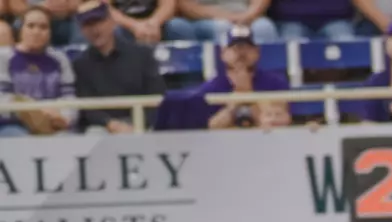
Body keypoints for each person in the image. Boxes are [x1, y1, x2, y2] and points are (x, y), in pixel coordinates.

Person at [71, 0, 165, 133]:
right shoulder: (80, 64)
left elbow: (156, 95)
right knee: (94, 132)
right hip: (104, 128)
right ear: (82, 30)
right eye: (88, 25)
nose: (95, 29)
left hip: (142, 124)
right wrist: (110, 124)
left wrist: (140, 124)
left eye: (99, 21)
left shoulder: (142, 55)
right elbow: (87, 106)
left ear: (111, 21)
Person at [0, 8, 76, 137]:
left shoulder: (60, 59)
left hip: (53, 123)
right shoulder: (4, 57)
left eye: (43, 27)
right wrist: (34, 112)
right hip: (13, 125)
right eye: (31, 26)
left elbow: (69, 98)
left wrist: (64, 117)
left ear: (50, 32)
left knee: (69, 138)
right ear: (21, 29)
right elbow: (2, 98)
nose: (36, 32)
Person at [201, 24, 292, 131]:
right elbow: (212, 128)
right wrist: (235, 103)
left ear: (257, 51)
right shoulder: (211, 88)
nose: (241, 53)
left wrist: (248, 94)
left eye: (247, 47)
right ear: (223, 53)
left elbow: (275, 123)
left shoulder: (276, 83)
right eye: (235, 48)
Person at [174, 0, 277, 42]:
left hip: (245, 15)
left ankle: (267, 80)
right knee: (223, 28)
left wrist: (247, 16)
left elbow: (260, 3)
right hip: (207, 18)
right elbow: (187, 7)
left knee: (264, 27)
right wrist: (228, 17)